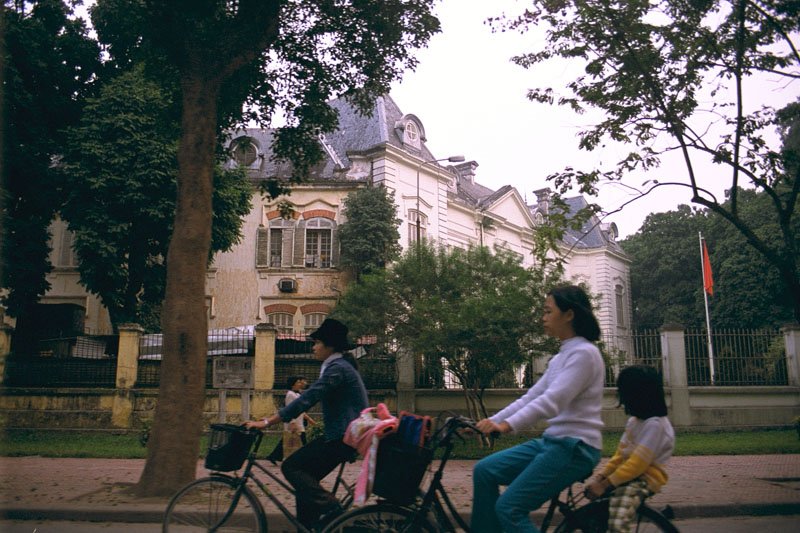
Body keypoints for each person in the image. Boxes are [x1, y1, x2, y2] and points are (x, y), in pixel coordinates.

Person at [471, 285, 605, 533]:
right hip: (553, 443)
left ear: (569, 315)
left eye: (547, 311)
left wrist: (505, 426)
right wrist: (489, 422)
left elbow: (551, 401)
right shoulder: (561, 357)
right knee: (484, 471)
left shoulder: (585, 354)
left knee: (509, 508)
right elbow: (531, 397)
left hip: (575, 448)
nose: (542, 317)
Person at [245, 318, 367, 530]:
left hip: (342, 436)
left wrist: (266, 422)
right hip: (342, 435)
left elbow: (308, 398)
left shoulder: (337, 369)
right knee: (305, 482)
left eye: (317, 343)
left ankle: (332, 509)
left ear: (330, 345)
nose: (313, 347)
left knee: (292, 467)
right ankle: (307, 526)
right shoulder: (339, 365)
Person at [584, 365, 675, 533]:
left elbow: (637, 464)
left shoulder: (655, 425)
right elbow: (620, 456)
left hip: (644, 479)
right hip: (627, 475)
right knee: (596, 516)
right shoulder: (634, 422)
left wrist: (605, 485)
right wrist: (601, 477)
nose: (622, 399)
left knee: (617, 522)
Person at [265, 376, 316, 465]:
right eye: (298, 382)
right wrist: (292, 422)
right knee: (301, 441)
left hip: (299, 421)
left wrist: (309, 419)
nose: (300, 384)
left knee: (287, 440)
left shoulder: (297, 394)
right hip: (294, 422)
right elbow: (289, 409)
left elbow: (301, 409)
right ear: (293, 384)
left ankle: (273, 456)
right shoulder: (290, 394)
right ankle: (304, 460)